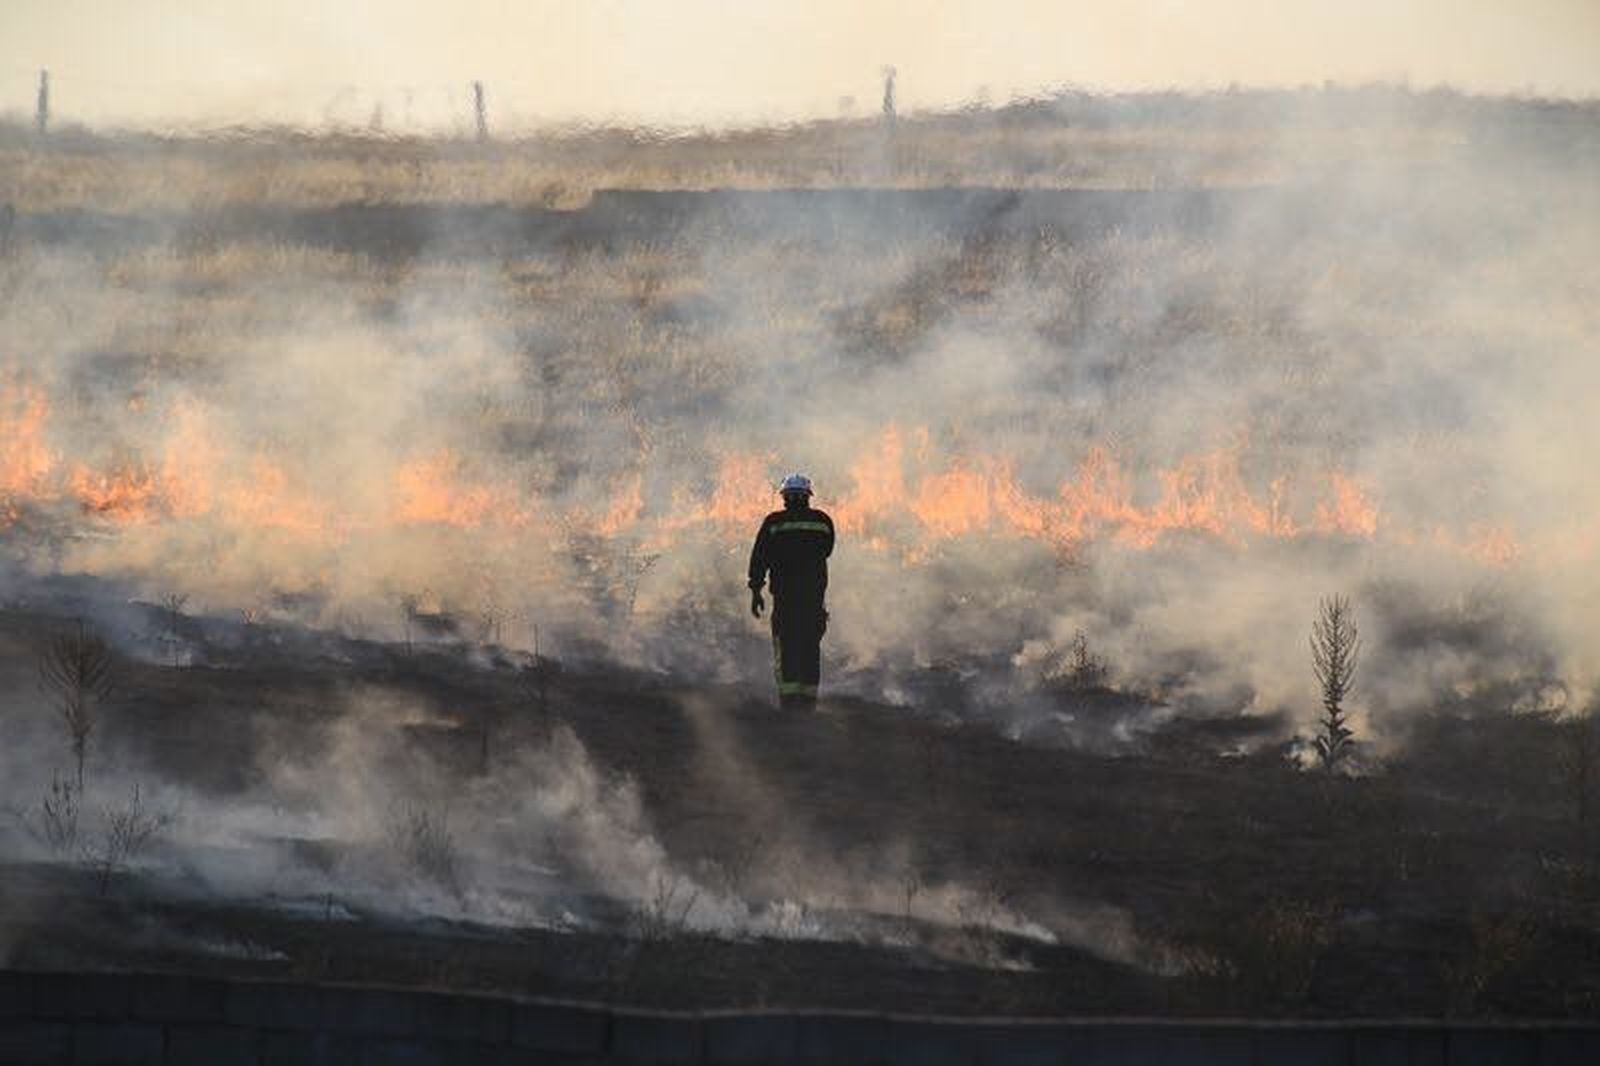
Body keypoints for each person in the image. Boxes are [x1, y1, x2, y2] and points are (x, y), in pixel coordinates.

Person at [748, 473, 834, 707]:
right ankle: (808, 702)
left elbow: (759, 558)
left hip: (785, 598)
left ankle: (788, 701)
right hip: (813, 598)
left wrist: (756, 590)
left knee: (786, 647)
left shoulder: (773, 523)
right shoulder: (823, 521)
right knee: (809, 648)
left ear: (784, 497)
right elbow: (828, 549)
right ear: (808, 497)